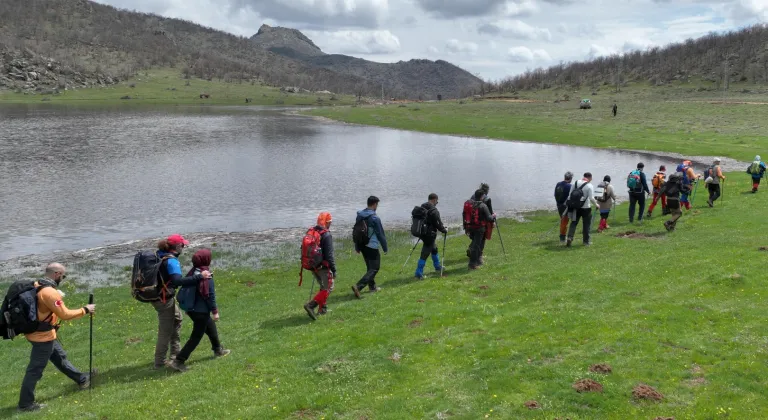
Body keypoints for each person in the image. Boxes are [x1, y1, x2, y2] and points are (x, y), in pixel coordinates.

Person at [17, 263, 97, 412]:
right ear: (57, 274)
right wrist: (85, 309)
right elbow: (65, 315)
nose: (63, 278)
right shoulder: (49, 292)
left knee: (60, 357)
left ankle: (81, 379)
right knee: (35, 370)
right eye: (63, 276)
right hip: (42, 337)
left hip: (40, 333)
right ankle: (25, 404)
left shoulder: (37, 284)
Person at [153, 234, 211, 370]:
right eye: (183, 245)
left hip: (159, 296)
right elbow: (177, 282)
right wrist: (199, 277)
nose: (184, 247)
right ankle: (160, 363)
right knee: (165, 330)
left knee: (177, 319)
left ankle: (175, 355)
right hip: (163, 299)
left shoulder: (159, 254)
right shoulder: (172, 261)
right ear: (177, 247)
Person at [169, 249, 230, 372]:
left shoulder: (192, 273)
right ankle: (179, 360)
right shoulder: (206, 275)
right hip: (200, 312)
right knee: (196, 336)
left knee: (211, 327)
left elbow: (186, 289)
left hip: (192, 310)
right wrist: (215, 312)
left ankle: (218, 349)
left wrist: (187, 308)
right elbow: (210, 296)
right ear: (207, 260)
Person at [352, 196, 388, 298]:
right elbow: (380, 234)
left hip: (362, 244)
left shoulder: (360, 215)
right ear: (375, 204)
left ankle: (372, 287)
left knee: (370, 267)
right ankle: (358, 286)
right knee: (375, 268)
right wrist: (385, 247)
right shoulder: (374, 218)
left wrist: (357, 246)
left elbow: (357, 231)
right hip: (371, 245)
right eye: (377, 204)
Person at [303, 212, 337, 318]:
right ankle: (311, 305)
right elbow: (329, 255)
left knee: (323, 287)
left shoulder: (313, 230)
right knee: (328, 288)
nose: (330, 224)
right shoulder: (326, 234)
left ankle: (322, 310)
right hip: (323, 267)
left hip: (313, 265)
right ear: (327, 222)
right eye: (330, 222)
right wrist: (334, 270)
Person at [414, 194, 448, 279]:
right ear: (434, 200)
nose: (437, 202)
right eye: (437, 201)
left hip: (422, 233)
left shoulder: (422, 207)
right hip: (429, 234)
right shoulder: (434, 210)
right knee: (425, 252)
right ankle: (418, 272)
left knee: (434, 248)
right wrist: (444, 230)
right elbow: (438, 223)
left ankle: (437, 266)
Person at [466, 183, 496, 264]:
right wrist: (493, 221)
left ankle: (471, 248)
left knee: (476, 238)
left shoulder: (473, 196)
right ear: (487, 190)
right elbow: (490, 212)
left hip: (472, 222)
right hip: (483, 222)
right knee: (482, 239)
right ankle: (479, 257)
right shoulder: (487, 199)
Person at [566, 172, 599, 247]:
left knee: (573, 223)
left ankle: (570, 237)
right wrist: (596, 204)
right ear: (590, 178)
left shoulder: (576, 182)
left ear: (583, 177)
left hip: (576, 207)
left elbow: (570, 194)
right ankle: (586, 241)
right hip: (586, 208)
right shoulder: (589, 185)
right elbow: (591, 198)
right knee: (586, 224)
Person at [554, 172, 574, 243]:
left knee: (563, 220)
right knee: (564, 222)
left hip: (559, 205)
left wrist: (558, 203)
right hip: (565, 206)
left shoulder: (558, 184)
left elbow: (555, 194)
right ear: (571, 178)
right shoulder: (569, 186)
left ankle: (563, 236)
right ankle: (562, 238)